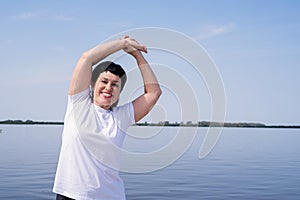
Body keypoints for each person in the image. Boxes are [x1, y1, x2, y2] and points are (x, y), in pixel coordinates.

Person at [53, 35, 162, 200]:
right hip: (70, 195)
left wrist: (137, 56)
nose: (108, 88)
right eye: (104, 81)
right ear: (92, 84)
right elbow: (87, 58)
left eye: (115, 84)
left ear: (119, 91)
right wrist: (122, 44)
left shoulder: (122, 116)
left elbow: (154, 93)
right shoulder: (78, 104)